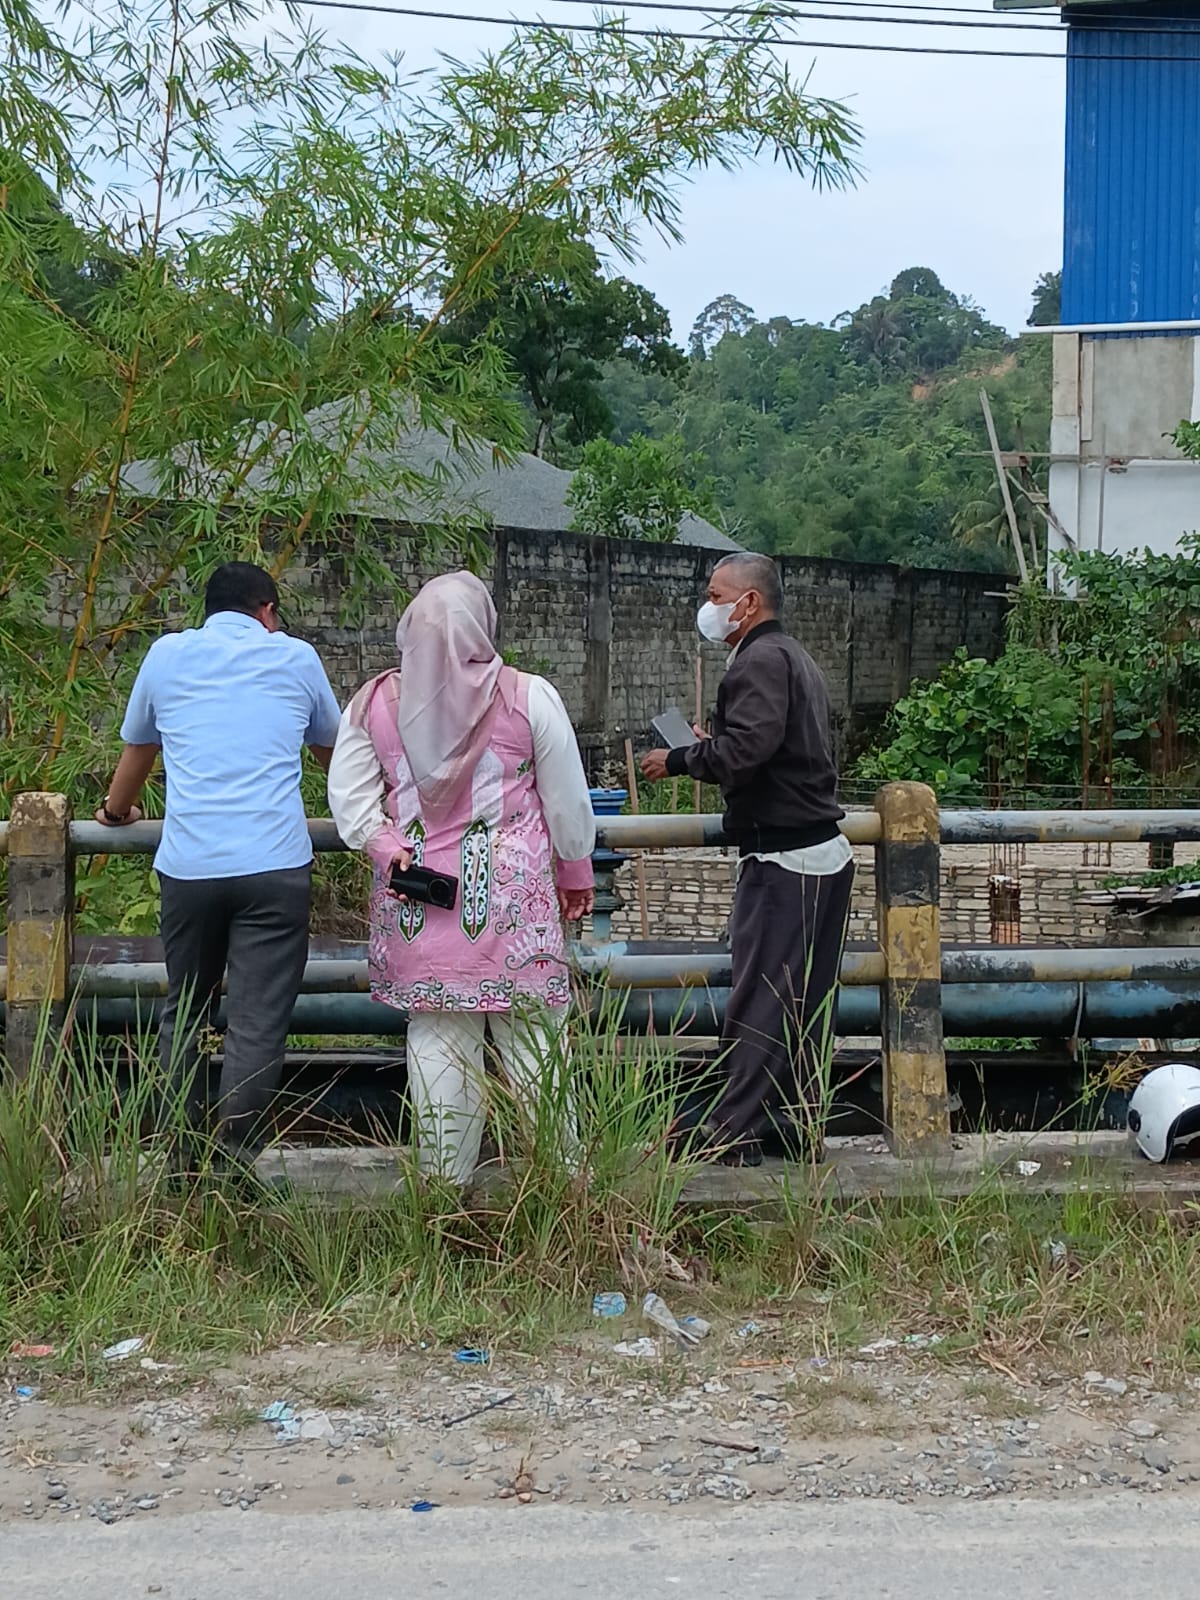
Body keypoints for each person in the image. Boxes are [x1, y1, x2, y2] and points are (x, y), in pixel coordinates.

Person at [326, 571, 596, 1186]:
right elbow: (567, 802)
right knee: (536, 1045)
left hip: (418, 903)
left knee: (438, 1046)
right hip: (516, 913)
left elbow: (350, 801)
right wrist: (575, 870)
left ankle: (445, 1191)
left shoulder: (375, 703)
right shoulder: (529, 697)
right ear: (484, 626)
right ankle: (566, 1184)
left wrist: (386, 843)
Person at [96, 561, 342, 1179]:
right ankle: (232, 1169)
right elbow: (333, 753)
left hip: (191, 867)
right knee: (257, 1021)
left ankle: (181, 1161)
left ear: (209, 610)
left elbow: (138, 755)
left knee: (185, 1009)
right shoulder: (294, 657)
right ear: (266, 610)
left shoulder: (167, 655)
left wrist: (114, 812)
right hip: (274, 866)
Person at [640, 552, 852, 1165]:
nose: (710, 608)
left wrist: (679, 760)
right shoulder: (794, 658)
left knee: (762, 996)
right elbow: (767, 745)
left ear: (749, 602)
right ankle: (796, 1122)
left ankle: (734, 1130)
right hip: (818, 857)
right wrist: (718, 747)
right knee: (806, 1002)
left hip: (785, 859)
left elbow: (751, 748)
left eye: (716, 595)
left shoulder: (757, 661)